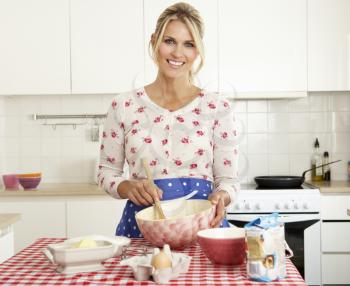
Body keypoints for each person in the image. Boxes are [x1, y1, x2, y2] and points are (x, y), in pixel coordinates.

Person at [98, 2, 239, 238]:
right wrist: (127, 187)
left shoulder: (217, 108)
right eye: (169, 41)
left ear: (197, 52)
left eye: (189, 44)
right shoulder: (123, 106)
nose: (177, 53)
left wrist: (221, 196)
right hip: (141, 233)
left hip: (203, 232)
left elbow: (228, 181)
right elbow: (106, 173)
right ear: (154, 41)